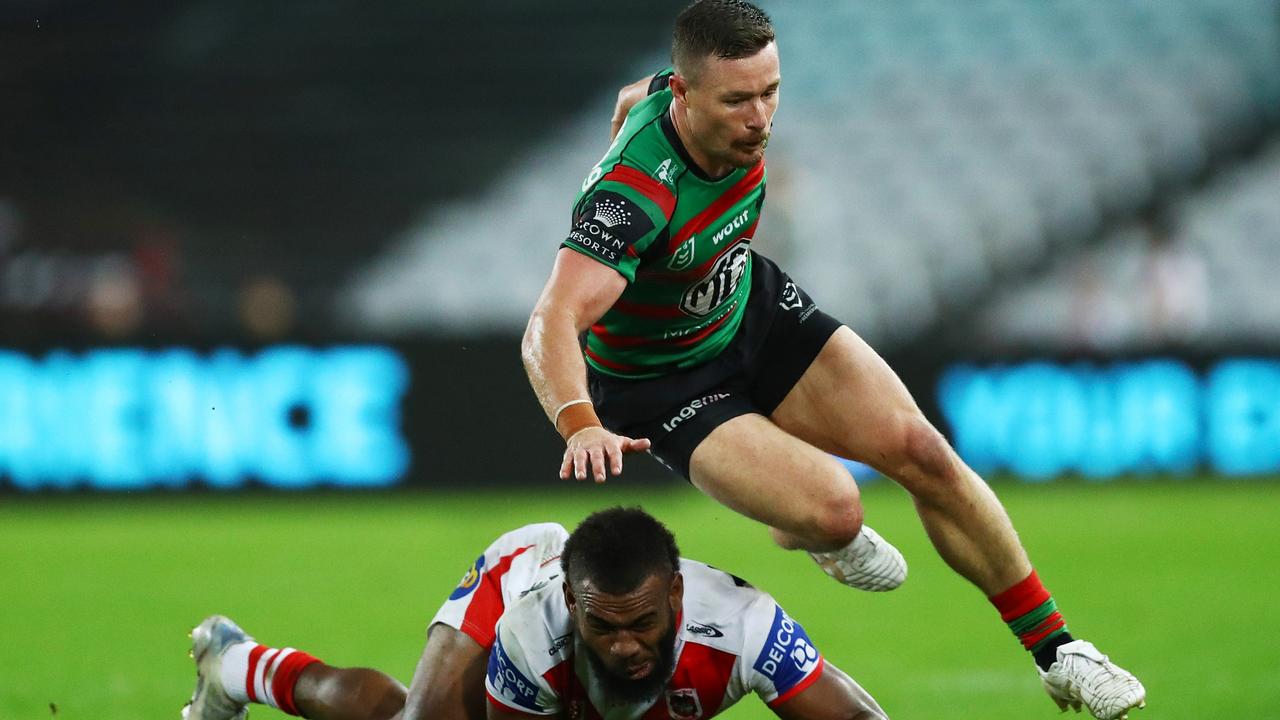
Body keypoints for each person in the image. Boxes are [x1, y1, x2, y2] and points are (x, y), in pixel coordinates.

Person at [519, 2, 1145, 718]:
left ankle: (1060, 652)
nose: (760, 118)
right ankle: (810, 527)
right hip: (663, 383)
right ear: (688, 97)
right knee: (838, 510)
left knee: (923, 451)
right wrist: (579, 424)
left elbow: (631, 100)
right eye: (737, 101)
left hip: (746, 306)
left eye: (770, 92)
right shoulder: (635, 196)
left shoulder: (667, 90)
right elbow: (551, 320)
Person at [182, 508, 887, 720]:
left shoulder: (745, 626)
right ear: (576, 613)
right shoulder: (531, 636)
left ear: (675, 599)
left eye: (642, 623)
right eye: (603, 628)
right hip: (521, 575)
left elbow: (855, 719)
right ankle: (238, 665)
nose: (627, 648)